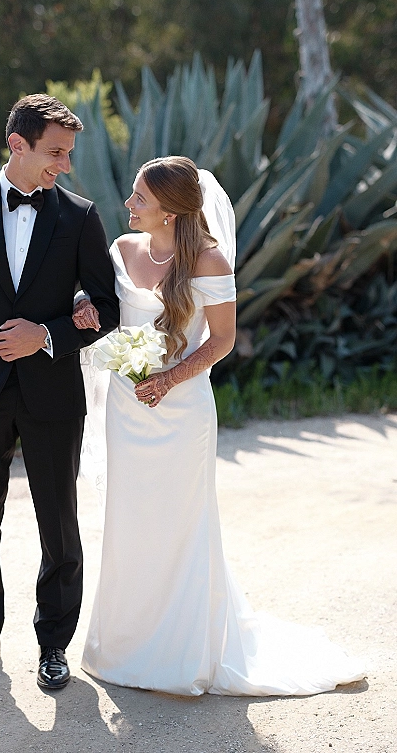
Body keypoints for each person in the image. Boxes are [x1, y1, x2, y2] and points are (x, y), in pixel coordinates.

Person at [72, 156, 366, 695]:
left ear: (170, 212)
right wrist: (85, 305)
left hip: (182, 411)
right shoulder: (121, 249)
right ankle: (122, 647)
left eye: (139, 198)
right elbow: (94, 299)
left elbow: (221, 340)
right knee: (129, 520)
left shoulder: (208, 262)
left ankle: (183, 652)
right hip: (126, 406)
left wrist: (168, 379)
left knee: (183, 522)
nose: (129, 205)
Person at [0, 94, 120, 691]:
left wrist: (46, 336)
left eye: (68, 154)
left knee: (58, 523)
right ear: (18, 144)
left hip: (52, 394)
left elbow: (107, 308)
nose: (64, 164)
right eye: (55, 153)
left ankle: (54, 643)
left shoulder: (81, 216)